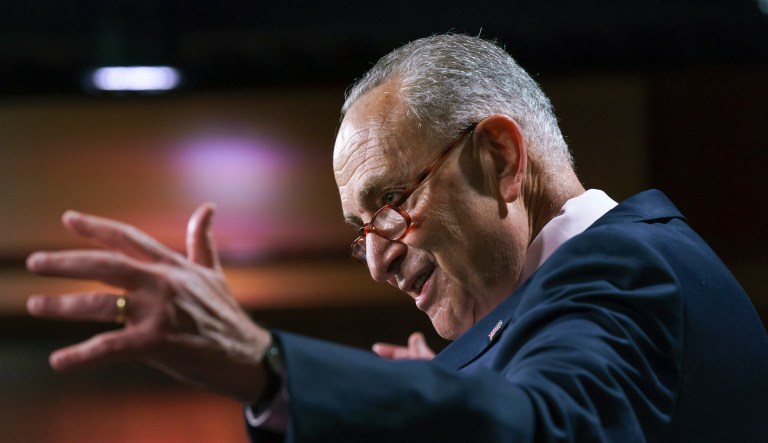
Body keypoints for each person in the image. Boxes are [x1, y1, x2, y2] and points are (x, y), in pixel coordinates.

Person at [26, 34, 768, 442]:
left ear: (501, 159)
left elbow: (546, 429)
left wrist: (265, 364)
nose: (378, 258)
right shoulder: (589, 289)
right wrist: (457, 391)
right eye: (358, 232)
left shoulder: (626, 270)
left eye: (389, 202)